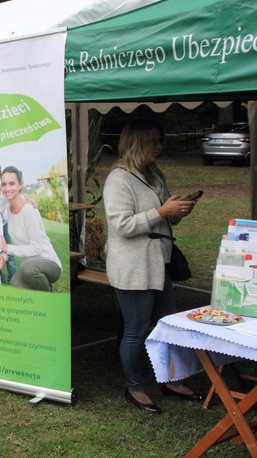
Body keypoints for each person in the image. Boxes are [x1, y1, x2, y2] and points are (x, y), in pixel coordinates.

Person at [103, 118, 201, 414]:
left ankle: (170, 380)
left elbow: (164, 217)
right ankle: (134, 388)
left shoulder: (153, 172)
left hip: (158, 262)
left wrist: (178, 211)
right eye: (153, 141)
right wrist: (161, 211)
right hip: (132, 267)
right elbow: (121, 225)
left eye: (160, 140)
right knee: (136, 329)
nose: (159, 146)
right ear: (136, 143)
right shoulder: (118, 179)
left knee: (168, 323)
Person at [0, 166, 62, 291]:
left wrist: (8, 248)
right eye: (3, 184)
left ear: (20, 185)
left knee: (28, 270)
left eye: (12, 183)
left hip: (49, 263)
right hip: (28, 266)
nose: (7, 188)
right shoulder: (8, 210)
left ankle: (50, 294)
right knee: (15, 283)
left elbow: (37, 248)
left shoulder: (29, 210)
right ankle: (39, 290)